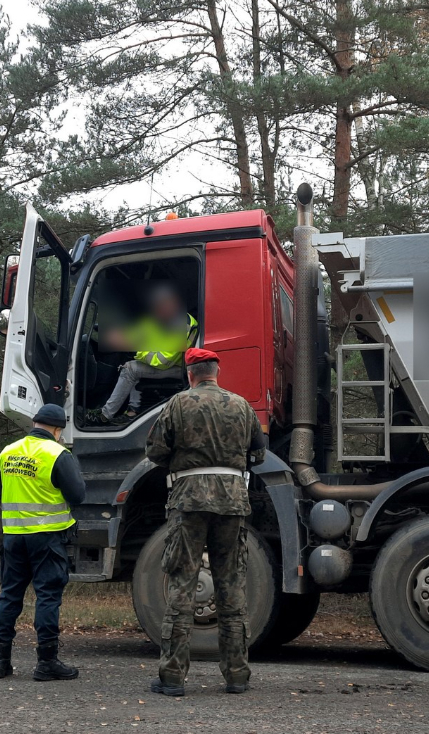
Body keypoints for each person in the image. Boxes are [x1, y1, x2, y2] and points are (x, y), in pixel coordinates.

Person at [145, 347, 265, 697]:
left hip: (189, 499)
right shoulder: (242, 406)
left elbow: (155, 451)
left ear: (190, 374)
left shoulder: (178, 404)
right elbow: (258, 453)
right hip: (232, 501)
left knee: (183, 584)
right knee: (231, 587)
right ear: (217, 372)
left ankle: (172, 678)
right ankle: (237, 676)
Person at [0, 403, 86, 682]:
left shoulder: (8, 451)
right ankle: (46, 662)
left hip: (13, 537)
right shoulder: (58, 454)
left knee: (10, 596)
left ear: (34, 423)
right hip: (46, 538)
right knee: (47, 596)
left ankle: (0, 662)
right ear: (58, 429)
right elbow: (78, 495)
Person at [92, 284, 198, 425]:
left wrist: (137, 350)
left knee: (130, 369)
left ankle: (105, 415)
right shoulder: (157, 318)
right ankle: (132, 412)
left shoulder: (183, 323)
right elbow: (138, 332)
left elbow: (163, 360)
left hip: (178, 367)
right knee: (131, 365)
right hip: (165, 363)